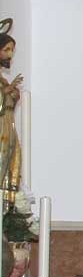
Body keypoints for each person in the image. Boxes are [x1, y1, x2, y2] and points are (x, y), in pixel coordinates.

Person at [0, 31, 23, 199]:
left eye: (12, 51)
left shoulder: (3, 79)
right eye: (6, 49)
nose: (9, 54)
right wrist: (6, 92)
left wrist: (14, 95)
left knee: (10, 161)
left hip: (8, 125)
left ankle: (6, 205)